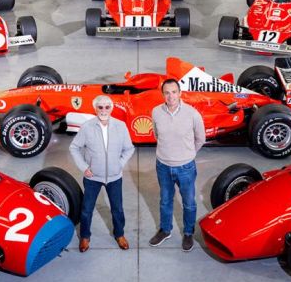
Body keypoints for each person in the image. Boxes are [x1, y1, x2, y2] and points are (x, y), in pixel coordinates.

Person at [68, 95, 135, 253]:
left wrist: (119, 164)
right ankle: (85, 236)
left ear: (111, 108)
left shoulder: (120, 126)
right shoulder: (87, 127)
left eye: (107, 107)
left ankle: (119, 234)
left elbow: (129, 148)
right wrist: (84, 167)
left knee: (117, 208)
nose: (103, 110)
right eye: (100, 107)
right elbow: (74, 147)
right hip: (93, 177)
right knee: (87, 209)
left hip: (114, 177)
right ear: (95, 108)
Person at [149, 79, 206, 251]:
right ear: (163, 94)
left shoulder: (192, 113)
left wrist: (188, 154)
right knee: (165, 200)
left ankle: (188, 232)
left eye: (174, 92)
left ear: (180, 93)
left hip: (186, 167)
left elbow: (200, 138)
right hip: (163, 166)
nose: (171, 96)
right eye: (167, 93)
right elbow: (157, 135)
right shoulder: (156, 112)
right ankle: (165, 230)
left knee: (189, 202)